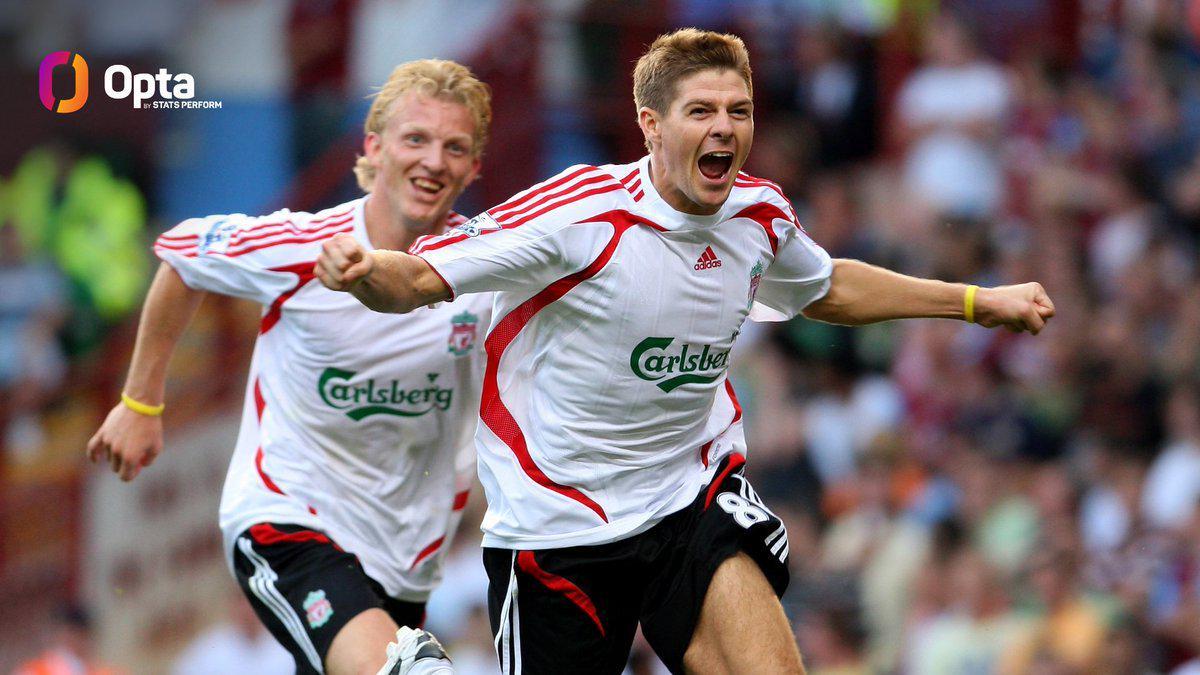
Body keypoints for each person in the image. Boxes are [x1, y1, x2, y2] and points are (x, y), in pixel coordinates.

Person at [316, 29, 1055, 674]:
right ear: (651, 125)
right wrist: (363, 272)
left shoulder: (758, 215)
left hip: (688, 497)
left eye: (739, 111)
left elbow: (827, 287)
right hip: (558, 523)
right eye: (701, 111)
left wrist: (975, 302)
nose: (724, 128)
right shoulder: (578, 216)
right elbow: (417, 279)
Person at [87, 59, 495, 675]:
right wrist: (139, 403)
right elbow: (183, 256)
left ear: (475, 166)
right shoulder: (303, 245)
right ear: (374, 147)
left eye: (454, 147)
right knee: (407, 670)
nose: (434, 161)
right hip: (287, 519)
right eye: (416, 139)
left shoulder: (487, 267)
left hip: (407, 555)